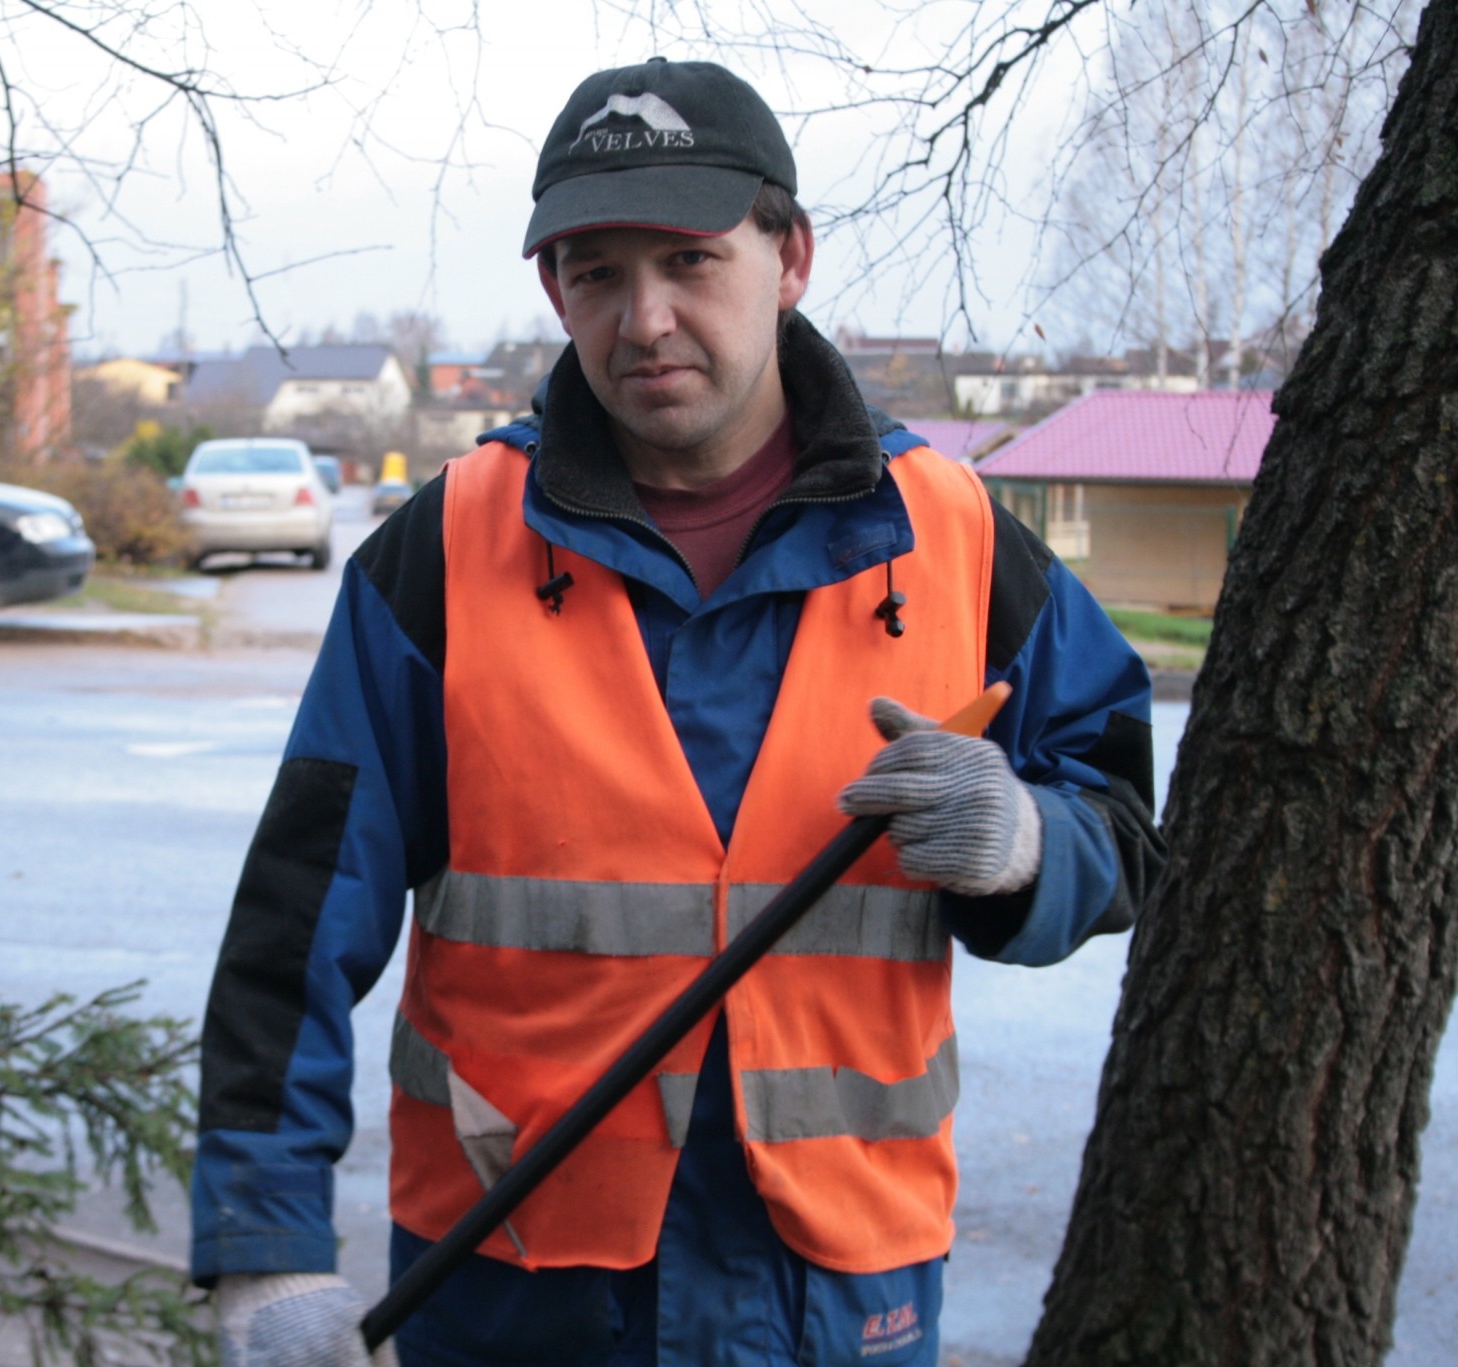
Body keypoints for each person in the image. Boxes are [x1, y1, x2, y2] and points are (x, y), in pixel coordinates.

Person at [191, 57, 1165, 1367]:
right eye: (598, 270)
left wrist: (1027, 847)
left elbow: (1121, 821)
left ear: (791, 255)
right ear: (554, 290)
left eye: (691, 261)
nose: (645, 318)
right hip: (514, 1281)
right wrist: (267, 1252)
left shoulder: (962, 541)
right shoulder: (440, 558)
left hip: (833, 1288)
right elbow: (295, 925)